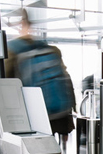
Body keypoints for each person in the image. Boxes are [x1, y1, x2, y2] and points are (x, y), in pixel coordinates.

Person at [5, 9, 75, 138]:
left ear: (19, 24)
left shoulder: (11, 50)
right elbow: (66, 79)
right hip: (60, 115)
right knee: (55, 149)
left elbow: (4, 86)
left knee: (37, 151)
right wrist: (69, 114)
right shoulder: (51, 49)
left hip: (35, 116)